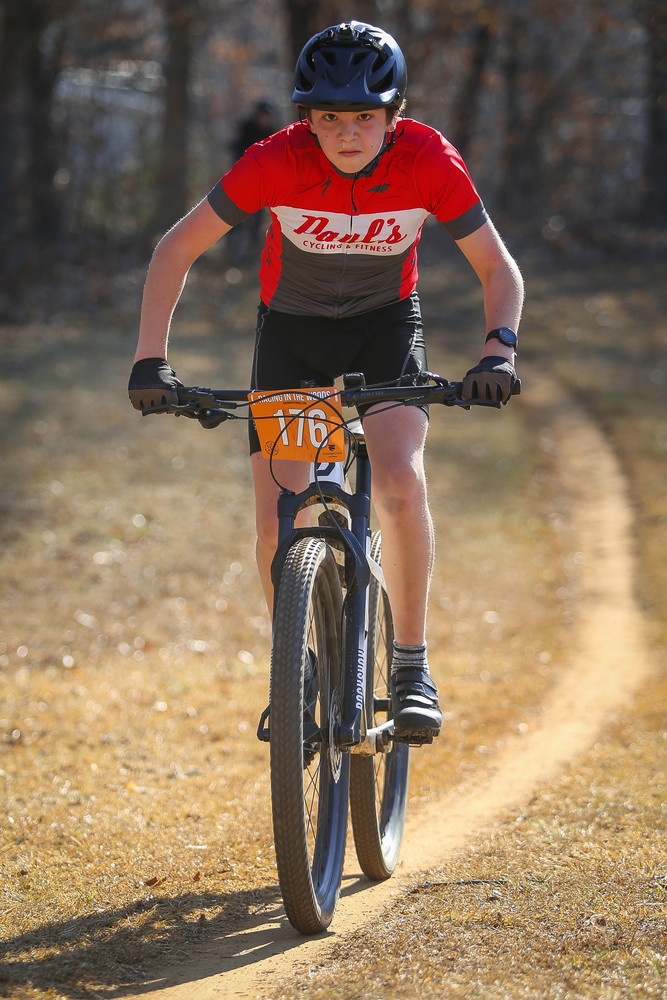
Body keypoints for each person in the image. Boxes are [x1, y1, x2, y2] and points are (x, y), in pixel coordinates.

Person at [128, 21, 524, 745]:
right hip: (293, 336)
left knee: (400, 478)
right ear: (306, 118)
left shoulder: (428, 160)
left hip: (384, 328)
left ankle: (411, 665)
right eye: (330, 117)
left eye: (364, 117)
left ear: (394, 115)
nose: (347, 133)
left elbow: (498, 268)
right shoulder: (274, 161)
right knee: (279, 515)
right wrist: (150, 360)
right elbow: (175, 249)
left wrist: (497, 352)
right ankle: (299, 669)